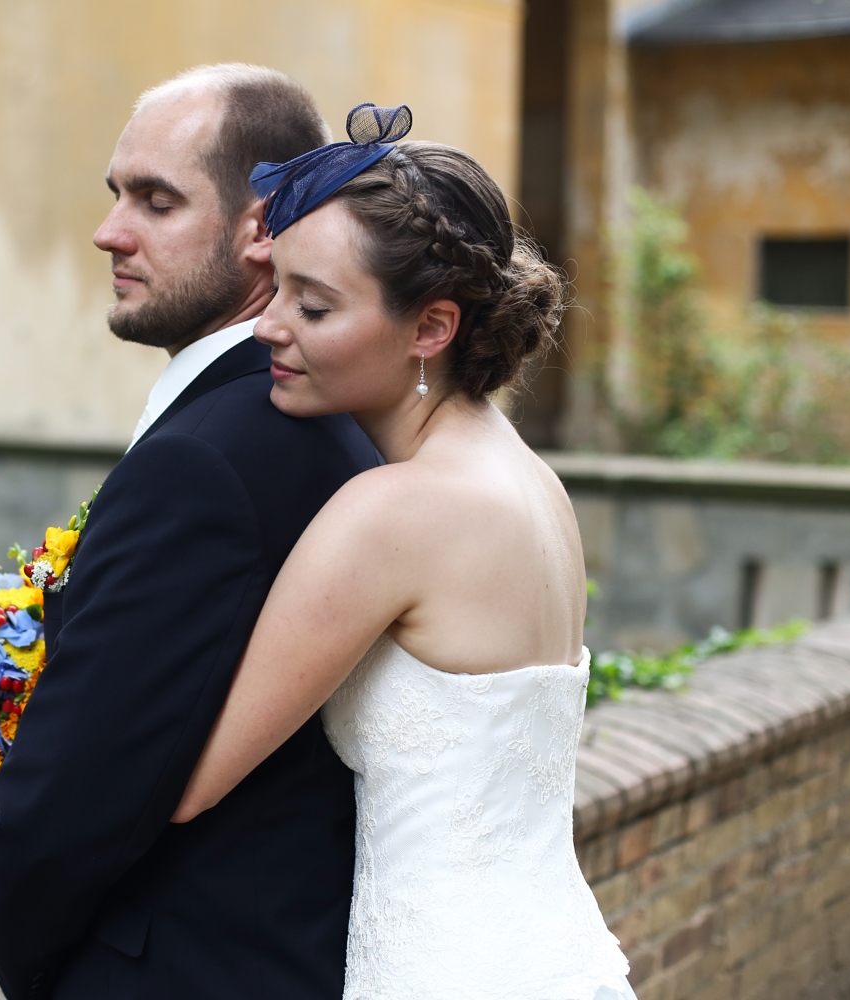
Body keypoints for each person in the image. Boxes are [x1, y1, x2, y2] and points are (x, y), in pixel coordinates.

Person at [172, 105, 637, 1000]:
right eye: (275, 290)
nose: (269, 326)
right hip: (562, 962)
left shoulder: (392, 512)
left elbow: (186, 780)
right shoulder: (535, 486)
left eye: (312, 305)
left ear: (431, 328)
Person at [0, 66, 381, 1000]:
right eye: (116, 194)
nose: (109, 231)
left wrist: (36, 968)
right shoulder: (314, 417)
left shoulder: (214, 454)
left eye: (157, 201)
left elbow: (76, 803)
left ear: (260, 228)